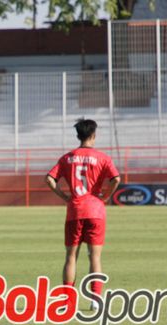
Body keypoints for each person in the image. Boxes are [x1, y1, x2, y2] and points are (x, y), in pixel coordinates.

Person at [45, 118, 120, 310]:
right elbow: (116, 179)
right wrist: (105, 196)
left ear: (78, 135)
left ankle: (68, 301)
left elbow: (49, 179)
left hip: (75, 210)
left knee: (71, 257)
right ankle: (95, 300)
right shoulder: (103, 158)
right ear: (93, 135)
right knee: (95, 257)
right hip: (96, 210)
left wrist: (64, 196)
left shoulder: (67, 157)